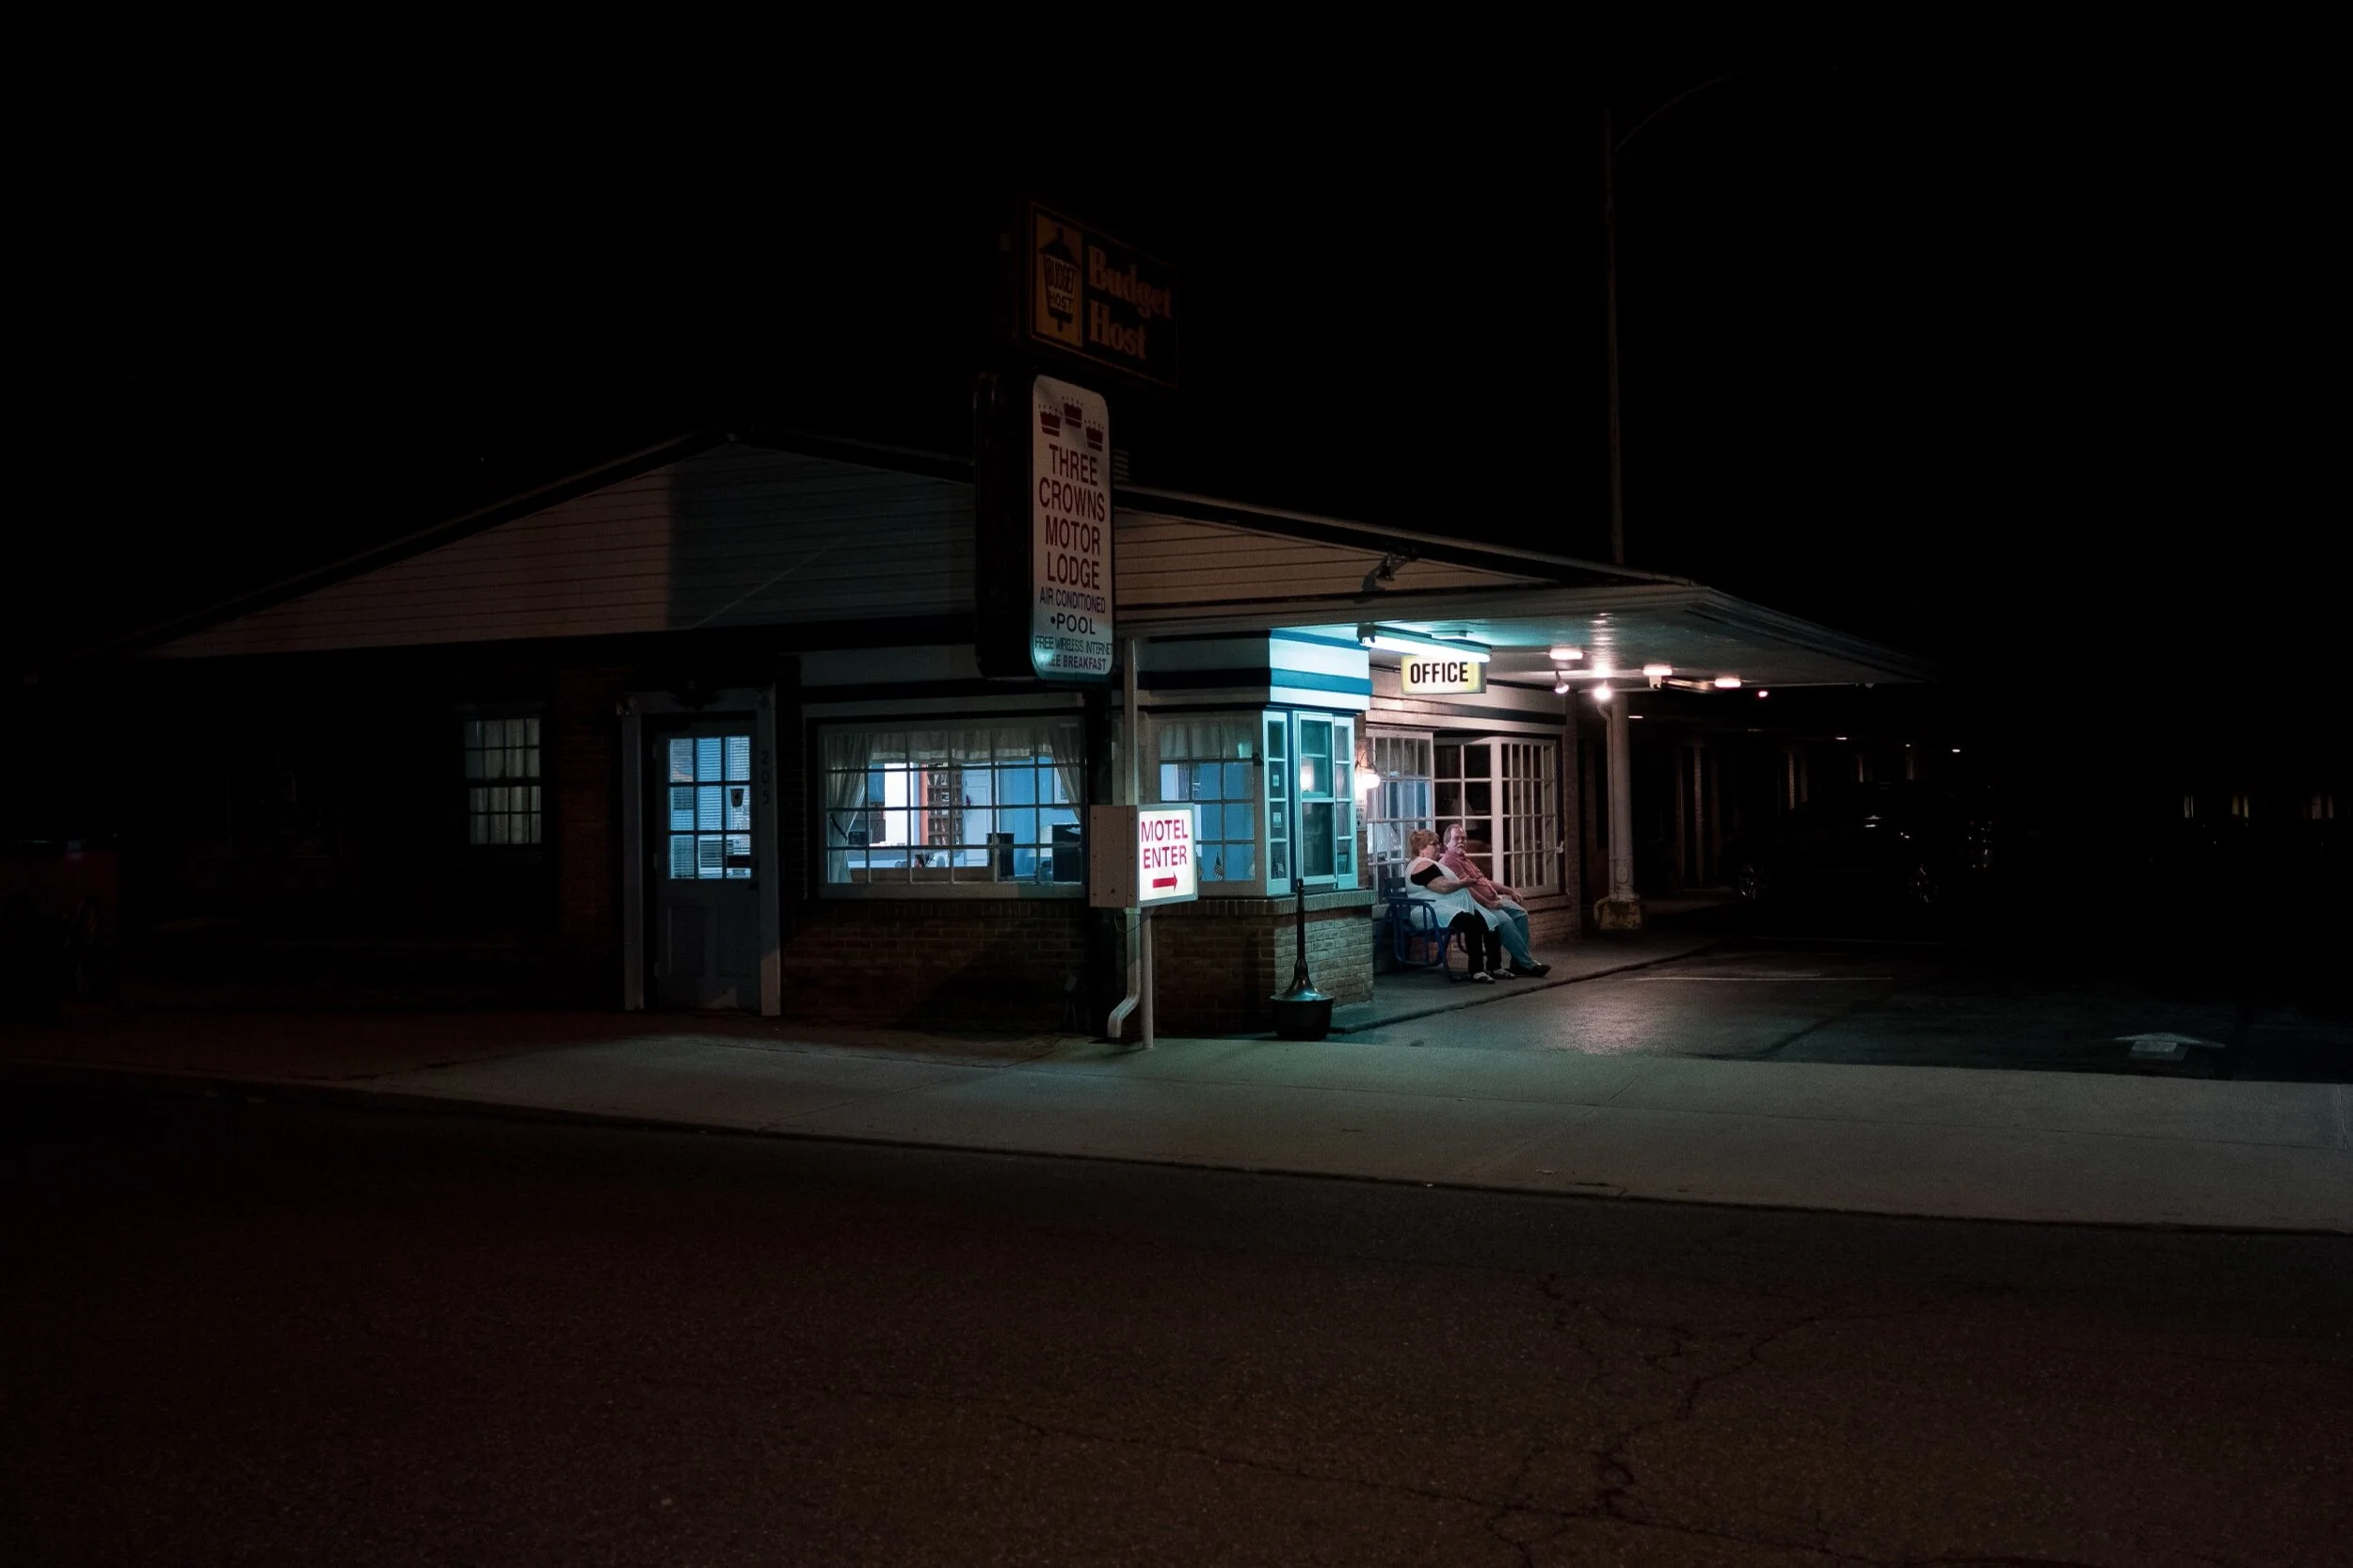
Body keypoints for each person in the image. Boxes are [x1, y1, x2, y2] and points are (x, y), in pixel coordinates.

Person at [1438, 824, 1551, 978]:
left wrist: (1509, 890)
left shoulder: (1465, 860)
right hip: (1479, 905)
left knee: (1521, 914)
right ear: (1447, 843)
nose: (1461, 841)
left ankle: (1518, 964)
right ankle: (1528, 964)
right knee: (1505, 921)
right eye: (1456, 838)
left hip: (1493, 899)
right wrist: (1490, 904)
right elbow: (1466, 890)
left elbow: (1485, 881)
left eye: (1463, 838)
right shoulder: (1450, 862)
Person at [1403, 827, 1508, 982]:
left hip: (1447, 905)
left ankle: (1495, 966)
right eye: (1434, 844)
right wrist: (1462, 883)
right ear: (1421, 849)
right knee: (1472, 923)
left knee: (1489, 920)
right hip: (1430, 910)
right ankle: (1476, 970)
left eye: (1438, 843)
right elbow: (1441, 886)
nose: (1438, 847)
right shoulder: (1420, 865)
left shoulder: (1432, 863)